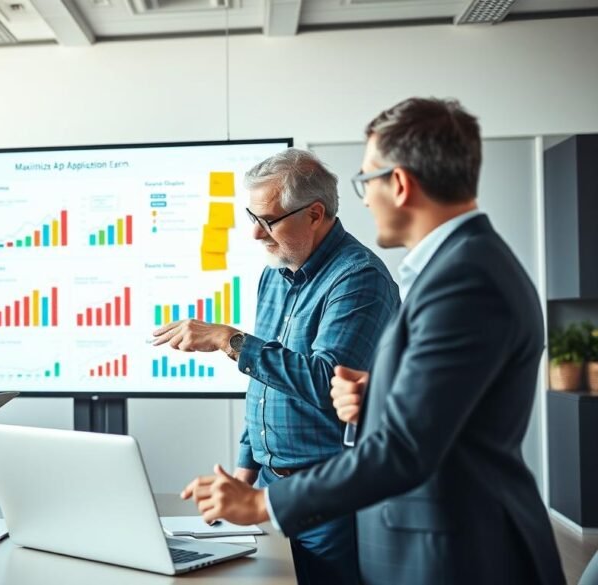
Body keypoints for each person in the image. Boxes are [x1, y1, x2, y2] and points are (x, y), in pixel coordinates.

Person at [182, 98, 566, 585]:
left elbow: (405, 448)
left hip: (459, 550)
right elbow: (438, 412)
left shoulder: (464, 279)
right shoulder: (459, 267)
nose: (363, 199)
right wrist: (374, 393)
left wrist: (262, 503)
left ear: (400, 184)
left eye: (367, 181)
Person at [153, 148, 399, 584]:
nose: (254, 233)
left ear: (315, 214)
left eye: (268, 220)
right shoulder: (275, 272)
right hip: (267, 485)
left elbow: (327, 382)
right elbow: (266, 385)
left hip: (328, 496)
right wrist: (247, 468)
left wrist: (229, 340)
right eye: (252, 216)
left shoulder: (359, 278)